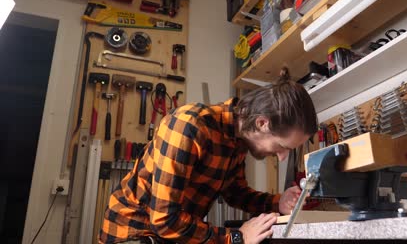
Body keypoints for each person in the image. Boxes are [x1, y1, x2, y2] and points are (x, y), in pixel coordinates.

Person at [99, 68, 317, 244]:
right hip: (134, 234)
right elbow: (165, 220)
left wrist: (278, 202)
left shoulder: (237, 141)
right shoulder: (190, 126)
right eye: (281, 146)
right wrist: (237, 238)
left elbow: (235, 193)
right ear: (262, 123)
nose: (281, 158)